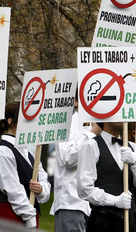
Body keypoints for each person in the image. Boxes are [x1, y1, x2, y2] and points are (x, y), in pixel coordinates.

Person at [77, 122, 136, 232]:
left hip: (129, 222)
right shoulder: (91, 146)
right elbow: (84, 189)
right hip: (103, 222)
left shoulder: (133, 148)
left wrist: (134, 162)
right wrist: (115, 201)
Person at [0, 101, 51, 229]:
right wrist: (30, 219)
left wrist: (41, 189)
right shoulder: (4, 152)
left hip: (30, 215)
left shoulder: (30, 153)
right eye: (26, 120)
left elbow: (44, 180)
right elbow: (13, 191)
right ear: (11, 122)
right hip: (11, 217)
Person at [50, 97, 102, 232]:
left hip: (94, 205)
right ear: (76, 102)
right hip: (71, 204)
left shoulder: (96, 125)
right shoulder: (65, 123)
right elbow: (68, 157)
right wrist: (91, 134)